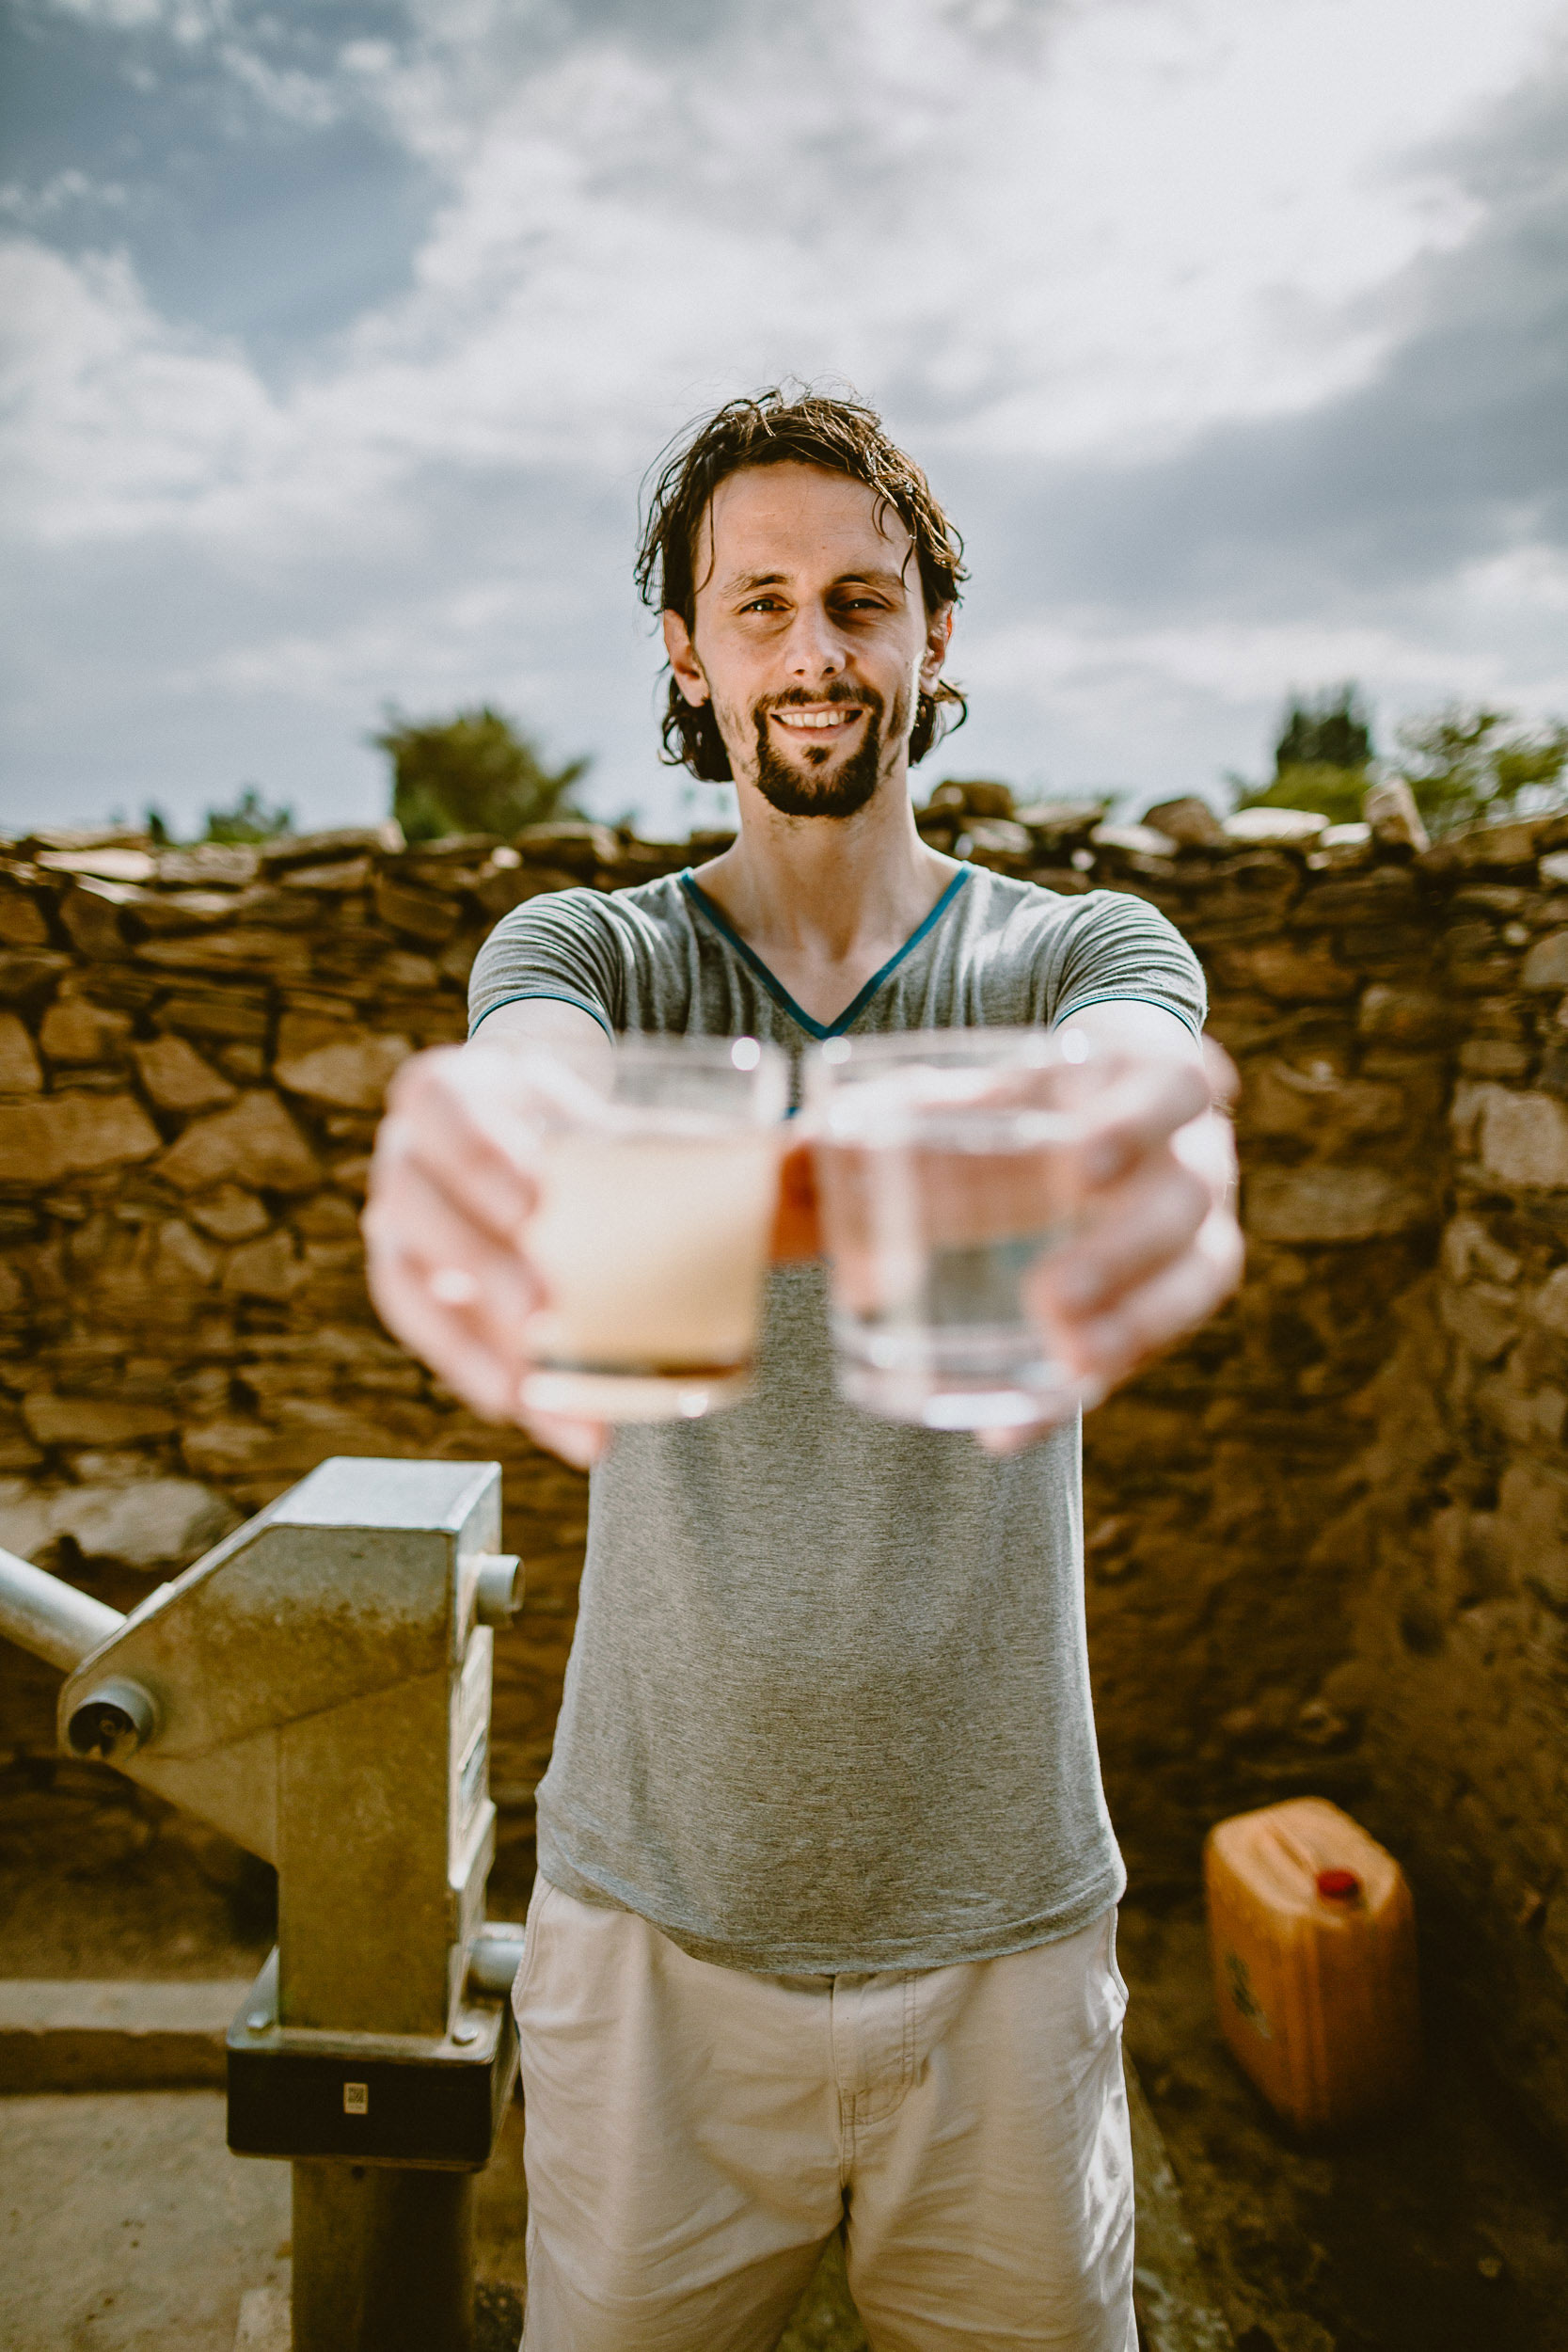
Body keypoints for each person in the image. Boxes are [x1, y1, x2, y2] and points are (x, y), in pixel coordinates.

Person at [363, 388, 1243, 2352]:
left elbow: (1129, 1071)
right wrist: (514, 1145)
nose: (814, 650)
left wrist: (1102, 1134)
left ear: (937, 633)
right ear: (687, 650)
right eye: (755, 605)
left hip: (1006, 1938)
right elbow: (544, 1076)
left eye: (861, 598)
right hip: (653, 1925)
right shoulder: (596, 946)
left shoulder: (1073, 950)